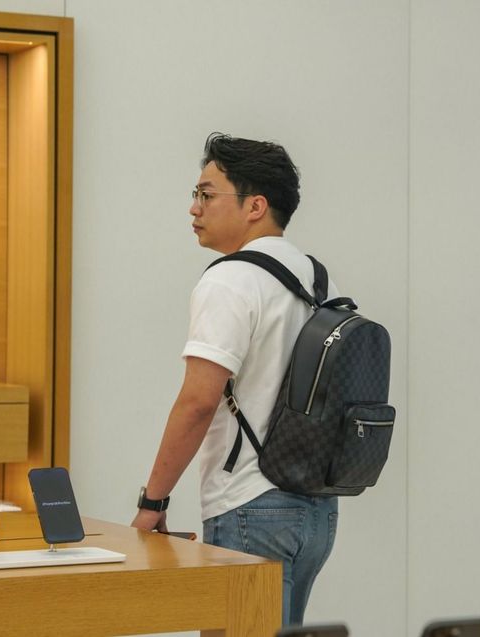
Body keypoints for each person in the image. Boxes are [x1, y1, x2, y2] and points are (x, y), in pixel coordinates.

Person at [131, 133, 338, 626]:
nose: (193, 208)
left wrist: (152, 501)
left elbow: (198, 402)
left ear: (255, 206)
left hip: (250, 504)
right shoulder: (312, 276)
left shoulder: (229, 279)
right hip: (315, 510)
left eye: (206, 194)